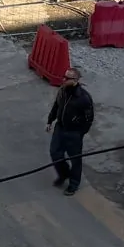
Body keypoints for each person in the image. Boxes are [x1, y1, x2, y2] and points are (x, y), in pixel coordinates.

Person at [46, 66, 93, 195]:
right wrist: (50, 120)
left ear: (76, 80)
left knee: (75, 159)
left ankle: (74, 184)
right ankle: (64, 174)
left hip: (74, 133)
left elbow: (89, 119)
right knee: (55, 153)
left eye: (67, 78)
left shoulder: (84, 98)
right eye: (64, 76)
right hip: (60, 128)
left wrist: (79, 133)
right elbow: (56, 106)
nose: (63, 79)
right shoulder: (62, 91)